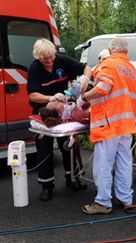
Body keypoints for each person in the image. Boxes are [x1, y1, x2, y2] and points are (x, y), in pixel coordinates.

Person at [80, 37, 136, 214]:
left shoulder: (108, 64)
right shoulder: (132, 69)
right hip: (126, 124)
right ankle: (126, 199)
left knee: (103, 164)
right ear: (126, 52)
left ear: (110, 49)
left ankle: (103, 202)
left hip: (108, 124)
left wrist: (84, 98)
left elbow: (103, 87)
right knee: (124, 162)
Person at [27, 38, 92, 201]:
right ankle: (46, 185)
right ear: (38, 57)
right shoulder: (34, 68)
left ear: (54, 54)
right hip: (45, 112)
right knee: (44, 148)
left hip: (65, 108)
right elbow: (32, 94)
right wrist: (50, 98)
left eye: (50, 57)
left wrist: (84, 79)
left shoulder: (62, 60)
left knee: (68, 145)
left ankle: (72, 179)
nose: (48, 61)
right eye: (44, 59)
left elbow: (87, 68)